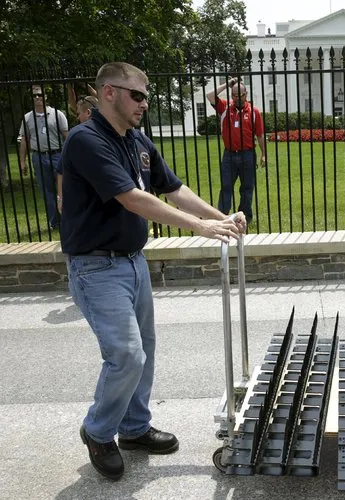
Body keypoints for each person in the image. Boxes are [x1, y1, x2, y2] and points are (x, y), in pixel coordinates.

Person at [60, 62, 246, 481]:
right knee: (126, 354)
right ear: (109, 92)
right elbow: (132, 198)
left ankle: (134, 428)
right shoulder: (86, 140)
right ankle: (98, 431)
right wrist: (200, 228)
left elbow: (174, 189)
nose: (145, 103)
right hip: (96, 267)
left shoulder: (137, 140)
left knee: (144, 350)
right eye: (137, 95)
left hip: (132, 261)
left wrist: (222, 219)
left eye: (147, 95)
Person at [206, 77, 266, 224]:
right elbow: (210, 95)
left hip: (248, 154)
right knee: (226, 187)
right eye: (234, 95)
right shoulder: (225, 108)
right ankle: (222, 217)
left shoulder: (254, 112)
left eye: (241, 95)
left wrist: (264, 154)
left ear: (246, 94)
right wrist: (228, 84)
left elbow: (260, 135)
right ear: (231, 96)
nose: (238, 98)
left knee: (247, 188)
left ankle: (244, 218)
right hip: (229, 155)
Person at [18, 84, 69, 229]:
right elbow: (24, 140)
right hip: (38, 157)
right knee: (47, 191)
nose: (38, 97)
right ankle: (55, 222)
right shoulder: (27, 118)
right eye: (34, 96)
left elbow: (67, 137)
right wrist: (22, 162)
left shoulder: (57, 114)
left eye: (40, 95)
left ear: (45, 96)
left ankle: (68, 219)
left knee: (64, 188)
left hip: (57, 155)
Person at [56, 95, 98, 213]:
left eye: (79, 113)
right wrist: (61, 197)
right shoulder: (75, 138)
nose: (78, 117)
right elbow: (61, 170)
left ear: (88, 112)